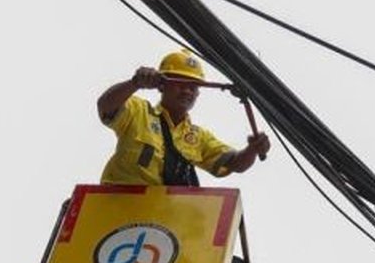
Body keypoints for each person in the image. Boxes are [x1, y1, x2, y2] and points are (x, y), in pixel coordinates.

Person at [97, 50, 270, 186]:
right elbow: (106, 106)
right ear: (161, 85)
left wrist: (253, 149)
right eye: (180, 83)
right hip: (116, 206)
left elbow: (235, 163)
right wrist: (135, 83)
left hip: (160, 217)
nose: (187, 91)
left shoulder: (199, 138)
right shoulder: (139, 112)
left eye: (193, 86)